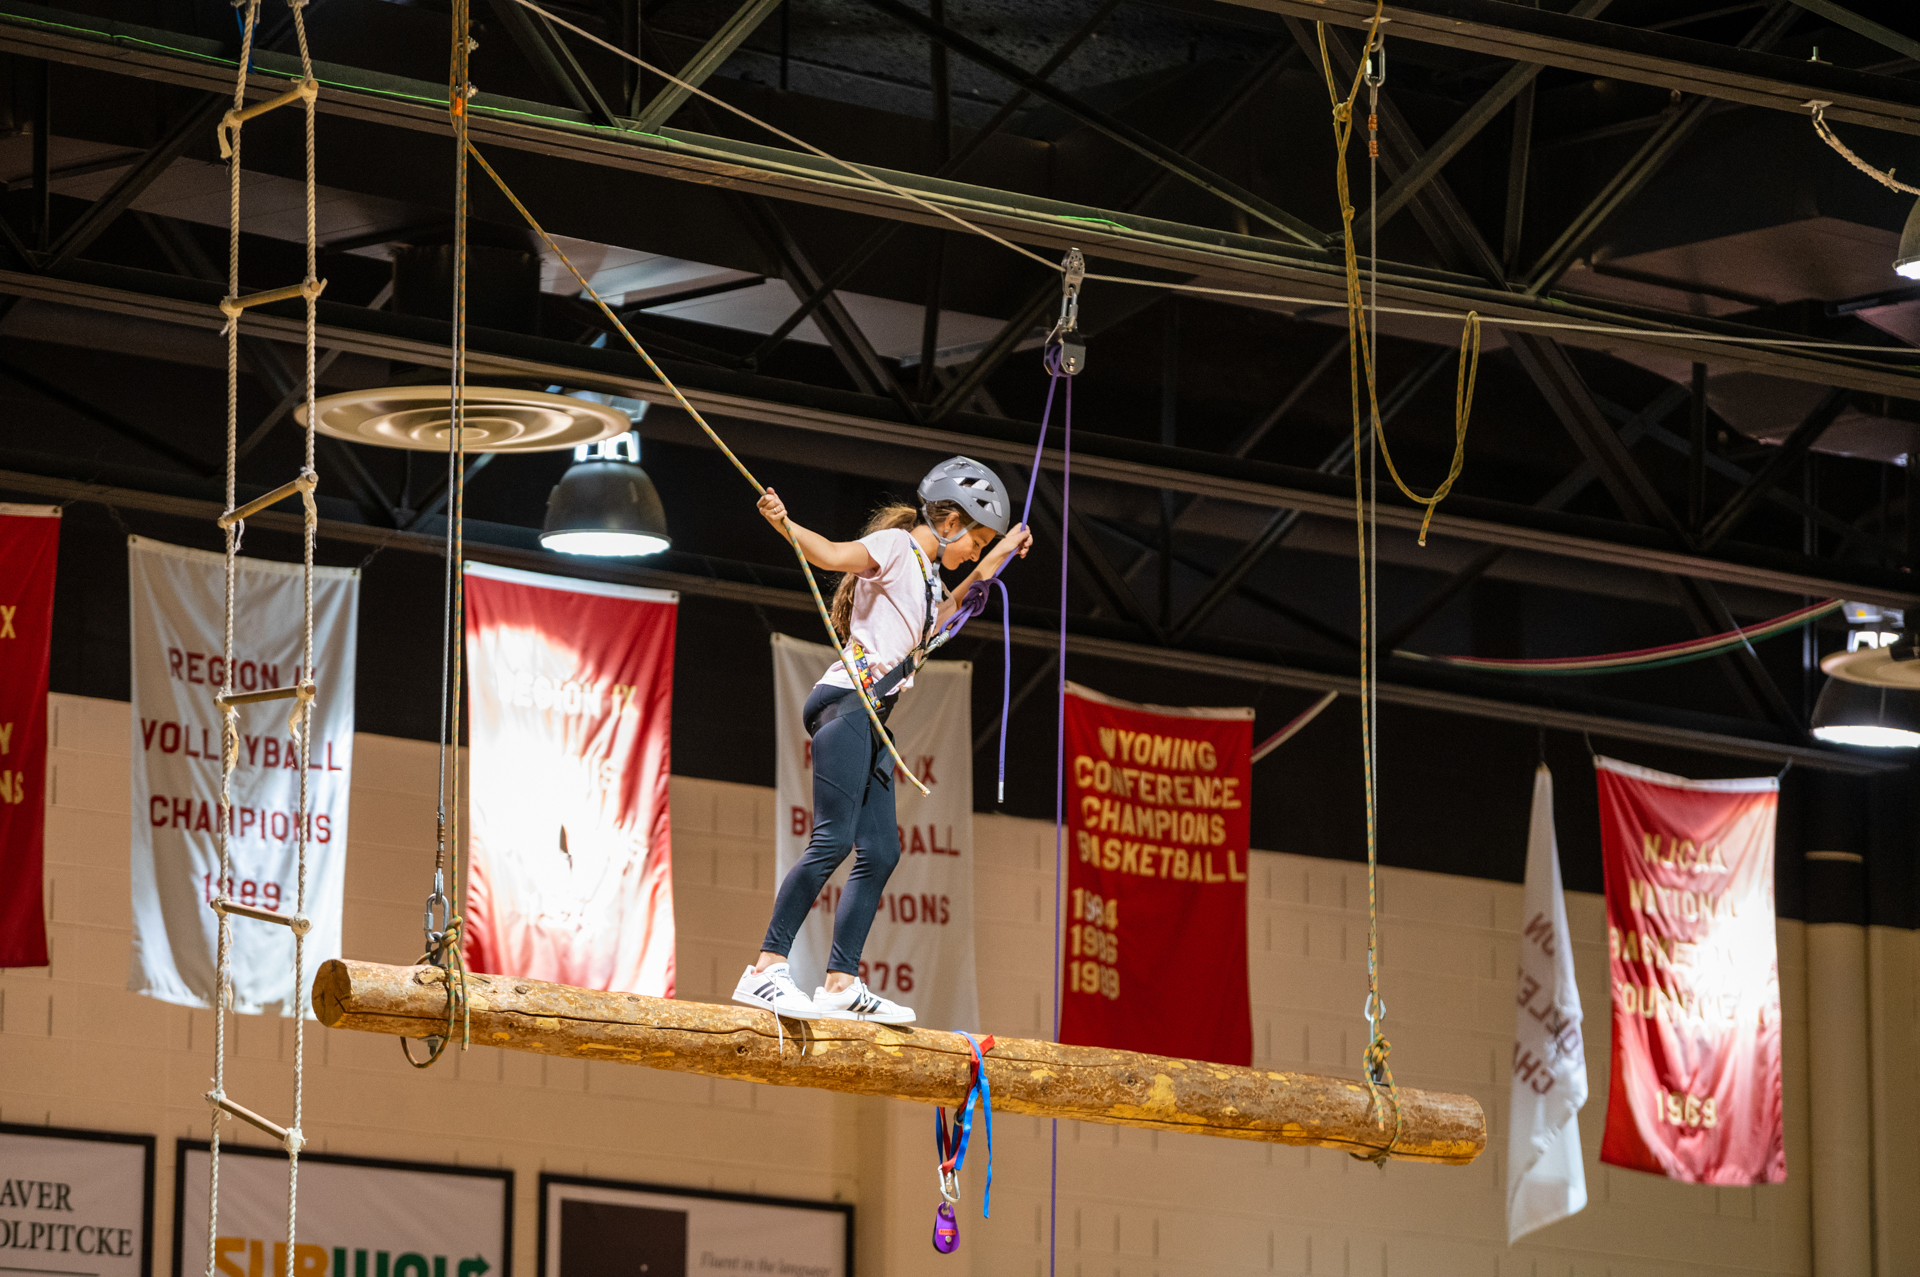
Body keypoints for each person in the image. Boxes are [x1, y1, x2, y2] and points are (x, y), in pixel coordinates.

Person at [734, 457, 1032, 1024]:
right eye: (976, 538)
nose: (973, 550)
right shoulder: (896, 547)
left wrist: (997, 557)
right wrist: (783, 523)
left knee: (882, 850)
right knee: (834, 840)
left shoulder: (924, 575)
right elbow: (828, 552)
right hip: (848, 701)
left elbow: (943, 613)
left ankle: (840, 982)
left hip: (870, 716)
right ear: (949, 521)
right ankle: (766, 969)